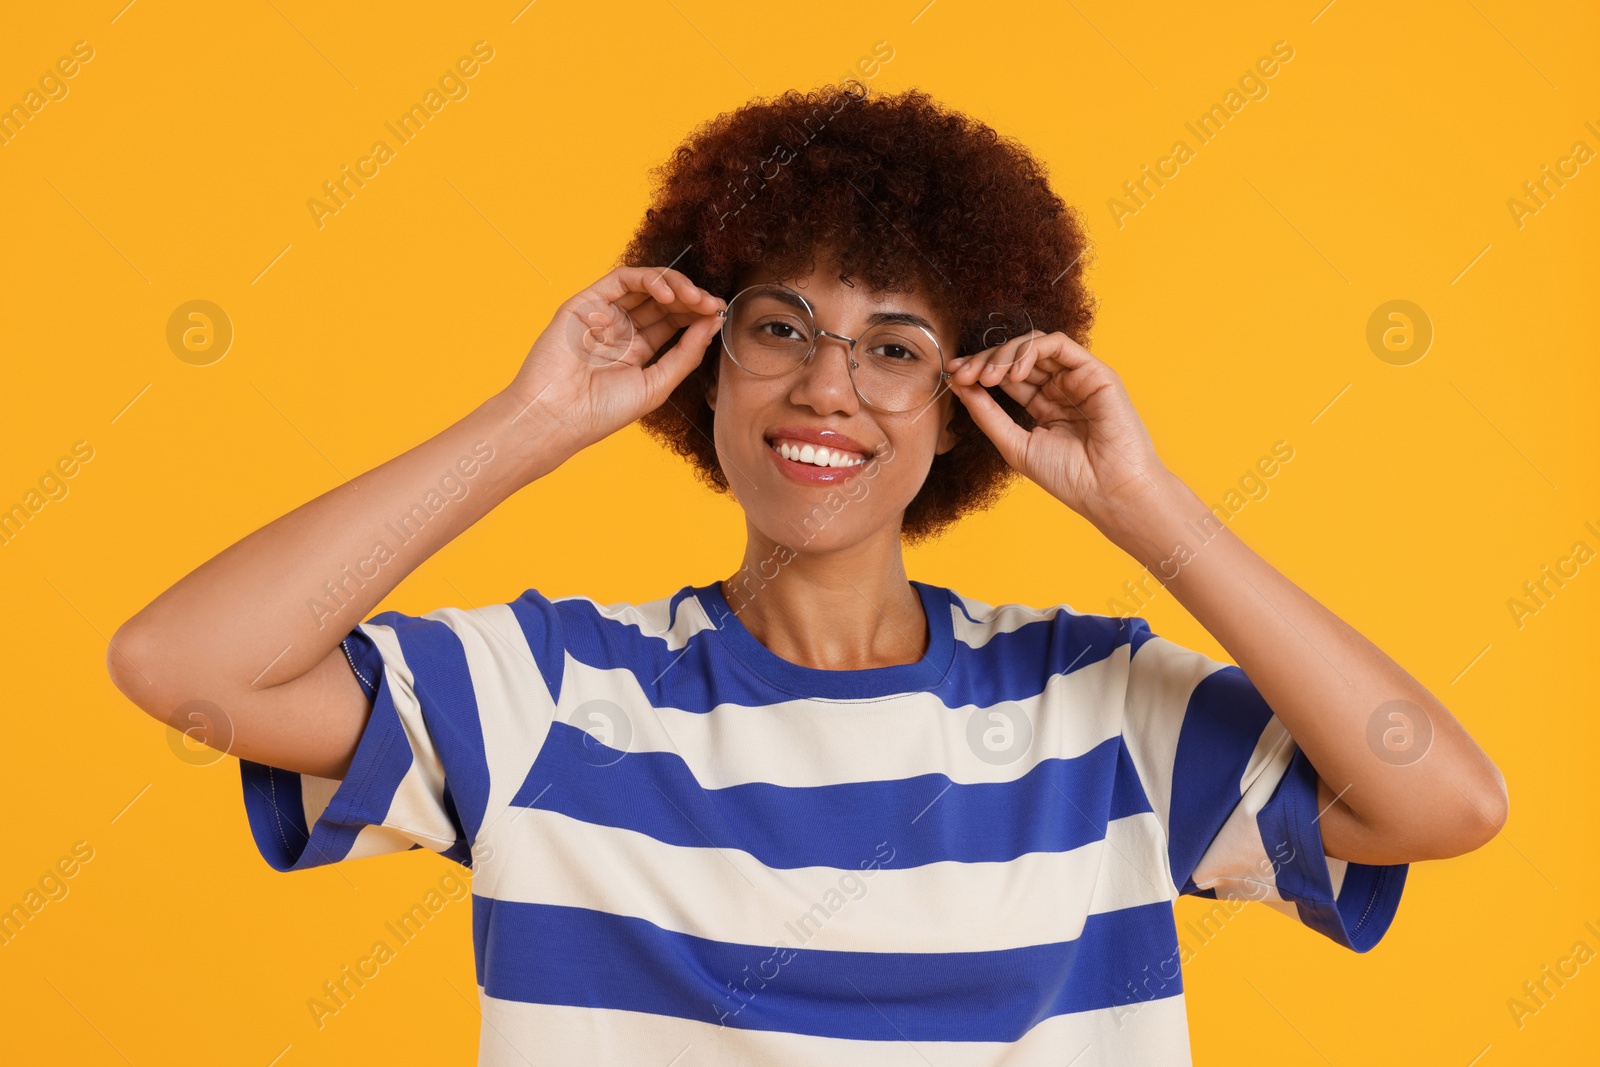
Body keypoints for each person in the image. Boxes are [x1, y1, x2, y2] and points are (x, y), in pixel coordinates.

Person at [107, 81, 1508, 1065]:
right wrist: (528, 423)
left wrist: (1147, 508)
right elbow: (185, 668)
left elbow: (1443, 799)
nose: (827, 387)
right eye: (780, 328)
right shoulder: (548, 694)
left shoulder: (1102, 708)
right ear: (707, 365)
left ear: (966, 403)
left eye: (895, 348)